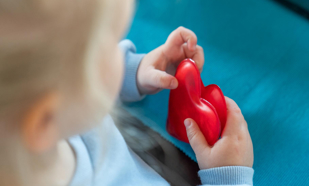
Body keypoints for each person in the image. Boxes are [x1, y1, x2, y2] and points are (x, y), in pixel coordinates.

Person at [0, 0, 254, 185]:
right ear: (45, 120)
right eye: (109, 45)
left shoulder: (30, 119)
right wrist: (229, 178)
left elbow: (72, 92)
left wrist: (135, 72)